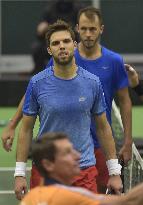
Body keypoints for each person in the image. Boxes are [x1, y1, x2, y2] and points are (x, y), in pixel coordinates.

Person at [14, 20, 122, 200]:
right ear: (49, 50)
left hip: (84, 171)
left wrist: (114, 171)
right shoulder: (37, 83)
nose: (61, 46)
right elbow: (26, 129)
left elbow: (103, 127)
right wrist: (19, 173)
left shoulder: (93, 82)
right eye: (55, 43)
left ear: (74, 44)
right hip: (45, 171)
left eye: (65, 41)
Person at [19, 132, 143, 205]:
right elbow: (127, 202)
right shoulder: (67, 197)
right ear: (48, 164)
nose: (77, 156)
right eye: (67, 152)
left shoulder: (30, 198)